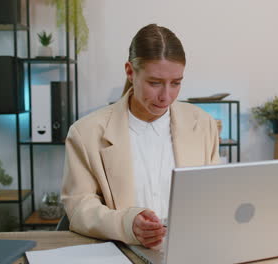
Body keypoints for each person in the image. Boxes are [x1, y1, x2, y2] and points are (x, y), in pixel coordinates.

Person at [61, 24, 220, 249]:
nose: (166, 96)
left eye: (176, 83)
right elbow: (79, 207)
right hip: (120, 250)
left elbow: (215, 194)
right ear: (130, 71)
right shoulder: (85, 133)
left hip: (189, 249)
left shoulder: (203, 124)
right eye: (155, 83)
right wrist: (127, 224)